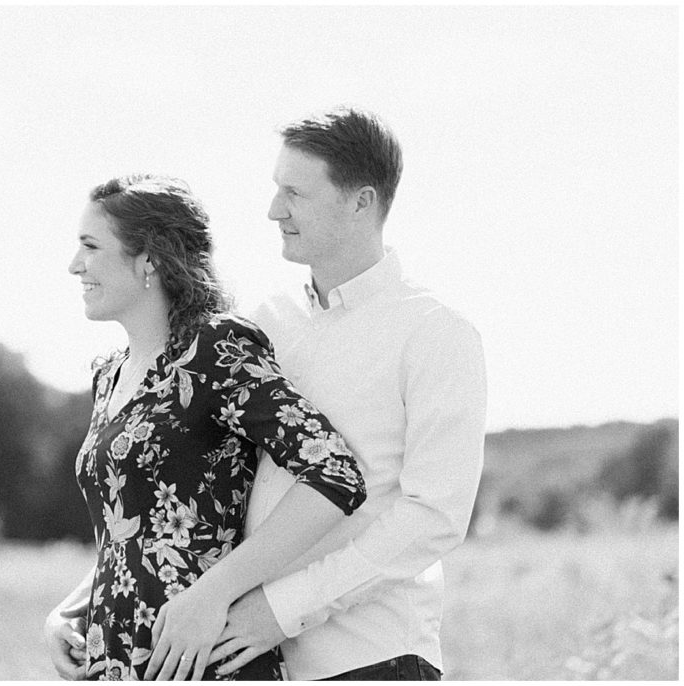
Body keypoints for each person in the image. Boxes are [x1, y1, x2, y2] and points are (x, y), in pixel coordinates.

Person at [202, 105, 488, 680]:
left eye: (295, 194)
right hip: (251, 661)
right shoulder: (262, 324)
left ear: (362, 201)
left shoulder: (435, 332)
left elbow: (433, 516)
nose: (273, 211)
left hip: (372, 658)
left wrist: (283, 610)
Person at [44, 173, 367, 681]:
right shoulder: (108, 374)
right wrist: (68, 610)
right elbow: (135, 530)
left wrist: (212, 595)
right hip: (114, 659)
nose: (74, 264)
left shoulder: (214, 350)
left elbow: (335, 474)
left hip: (202, 658)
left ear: (148, 258)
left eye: (90, 246)